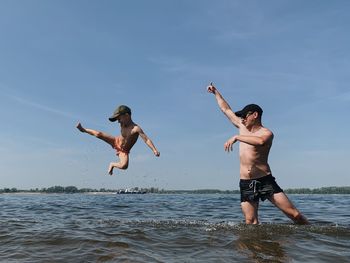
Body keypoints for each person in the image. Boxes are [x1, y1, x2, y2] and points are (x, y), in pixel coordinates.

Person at [207, 83, 308, 224]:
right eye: (241, 116)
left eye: (244, 116)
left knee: (295, 215)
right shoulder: (242, 127)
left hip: (265, 180)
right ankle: (255, 245)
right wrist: (216, 92)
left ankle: (315, 237)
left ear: (255, 115)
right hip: (246, 182)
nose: (242, 119)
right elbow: (226, 109)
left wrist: (236, 137)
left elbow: (260, 141)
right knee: (250, 221)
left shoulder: (267, 133)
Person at [76, 105, 160, 175]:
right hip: (116, 141)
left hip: (124, 151)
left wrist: (154, 150)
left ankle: (112, 164)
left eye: (119, 119)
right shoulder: (122, 124)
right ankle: (83, 130)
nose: (118, 122)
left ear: (127, 116)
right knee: (99, 134)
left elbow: (146, 140)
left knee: (124, 166)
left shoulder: (136, 129)